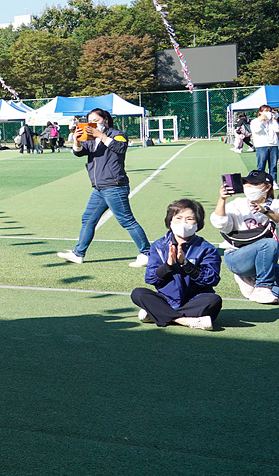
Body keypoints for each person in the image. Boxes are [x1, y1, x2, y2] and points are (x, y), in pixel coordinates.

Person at [57, 108, 151, 268]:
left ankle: (147, 253)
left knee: (126, 220)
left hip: (114, 185)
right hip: (100, 187)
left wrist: (100, 135)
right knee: (88, 218)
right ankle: (78, 253)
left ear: (105, 120)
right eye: (90, 120)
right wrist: (77, 140)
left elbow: (120, 148)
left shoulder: (117, 134)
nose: (93, 123)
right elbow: (78, 153)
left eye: (97, 120)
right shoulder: (90, 138)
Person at [131, 199, 221, 331]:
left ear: (198, 223)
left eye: (189, 219)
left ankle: (157, 313)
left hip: (194, 300)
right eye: (178, 218)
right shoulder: (159, 246)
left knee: (214, 301)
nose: (183, 223)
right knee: (138, 293)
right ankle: (184, 320)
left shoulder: (207, 249)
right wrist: (168, 265)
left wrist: (186, 264)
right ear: (170, 221)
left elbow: (212, 279)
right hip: (166, 299)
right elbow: (150, 278)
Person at [211, 169, 279, 304]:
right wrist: (222, 199)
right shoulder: (238, 204)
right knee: (269, 244)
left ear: (267, 187)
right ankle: (262, 286)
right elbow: (220, 223)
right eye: (246, 184)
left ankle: (252, 284)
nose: (248, 188)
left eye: (253, 184)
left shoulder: (275, 205)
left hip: (266, 262)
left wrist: (266, 211)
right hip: (237, 257)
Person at [251, 105, 278, 183]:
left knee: (273, 166)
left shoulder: (272, 121)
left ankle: (273, 181)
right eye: (265, 110)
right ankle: (260, 181)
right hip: (261, 145)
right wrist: (261, 120)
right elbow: (257, 130)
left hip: (273, 144)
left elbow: (277, 129)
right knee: (261, 165)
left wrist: (274, 120)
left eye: (269, 110)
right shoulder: (255, 121)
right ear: (260, 112)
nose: (268, 112)